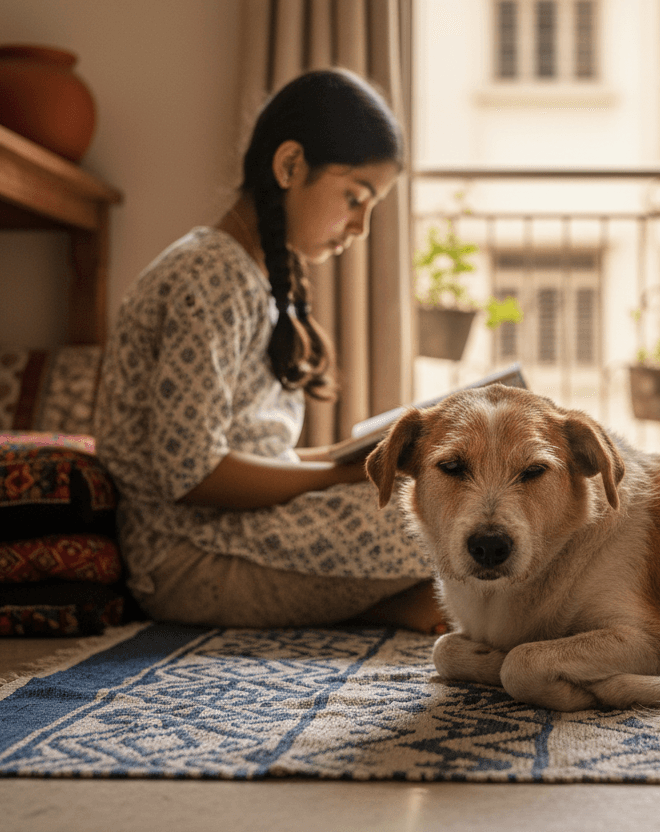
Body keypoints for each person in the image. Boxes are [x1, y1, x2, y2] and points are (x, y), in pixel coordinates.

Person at [93, 68, 443, 633]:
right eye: (355, 198)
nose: (361, 226)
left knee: (429, 493)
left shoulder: (247, 276)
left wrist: (342, 459)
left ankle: (389, 606)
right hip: (189, 560)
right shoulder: (208, 273)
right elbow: (193, 475)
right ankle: (393, 605)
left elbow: (254, 453)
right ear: (289, 167)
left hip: (230, 537)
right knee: (435, 512)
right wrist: (336, 476)